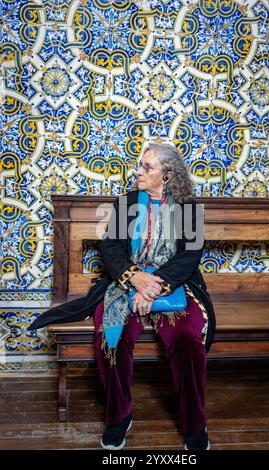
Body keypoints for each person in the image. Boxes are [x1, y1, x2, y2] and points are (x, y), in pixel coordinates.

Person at [28, 143, 216, 451]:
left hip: (174, 286)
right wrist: (135, 278)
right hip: (127, 283)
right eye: (140, 165)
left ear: (167, 175)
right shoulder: (127, 203)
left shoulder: (189, 208)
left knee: (186, 341)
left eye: (146, 168)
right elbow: (111, 248)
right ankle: (118, 416)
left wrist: (155, 285)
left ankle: (195, 424)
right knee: (111, 338)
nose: (138, 172)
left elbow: (189, 256)